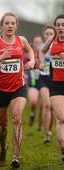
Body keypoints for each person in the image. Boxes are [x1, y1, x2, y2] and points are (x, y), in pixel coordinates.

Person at [0, 12, 35, 168]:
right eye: (7, 23)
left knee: (17, 119)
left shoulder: (21, 40)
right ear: (2, 25)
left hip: (19, 87)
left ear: (16, 25)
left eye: (13, 23)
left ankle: (15, 156)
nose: (10, 25)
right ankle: (3, 149)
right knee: (3, 125)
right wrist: (1, 57)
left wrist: (31, 61)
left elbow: (30, 52)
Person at [39, 14, 64, 161]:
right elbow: (42, 52)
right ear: (55, 27)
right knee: (61, 118)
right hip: (55, 84)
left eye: (63, 25)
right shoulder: (51, 40)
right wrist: (41, 62)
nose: (61, 28)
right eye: (58, 25)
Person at [38, 26, 56, 143]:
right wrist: (41, 62)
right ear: (44, 35)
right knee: (47, 105)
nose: (49, 35)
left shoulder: (58, 46)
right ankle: (47, 133)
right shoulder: (41, 47)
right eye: (47, 33)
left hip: (56, 79)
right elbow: (40, 56)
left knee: (54, 108)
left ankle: (50, 128)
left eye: (51, 33)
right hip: (44, 78)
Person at [27, 35, 43, 127]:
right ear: (32, 44)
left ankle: (40, 124)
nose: (38, 44)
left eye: (40, 42)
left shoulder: (46, 53)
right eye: (36, 42)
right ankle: (32, 113)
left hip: (44, 80)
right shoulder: (29, 53)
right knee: (33, 101)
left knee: (43, 105)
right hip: (33, 81)